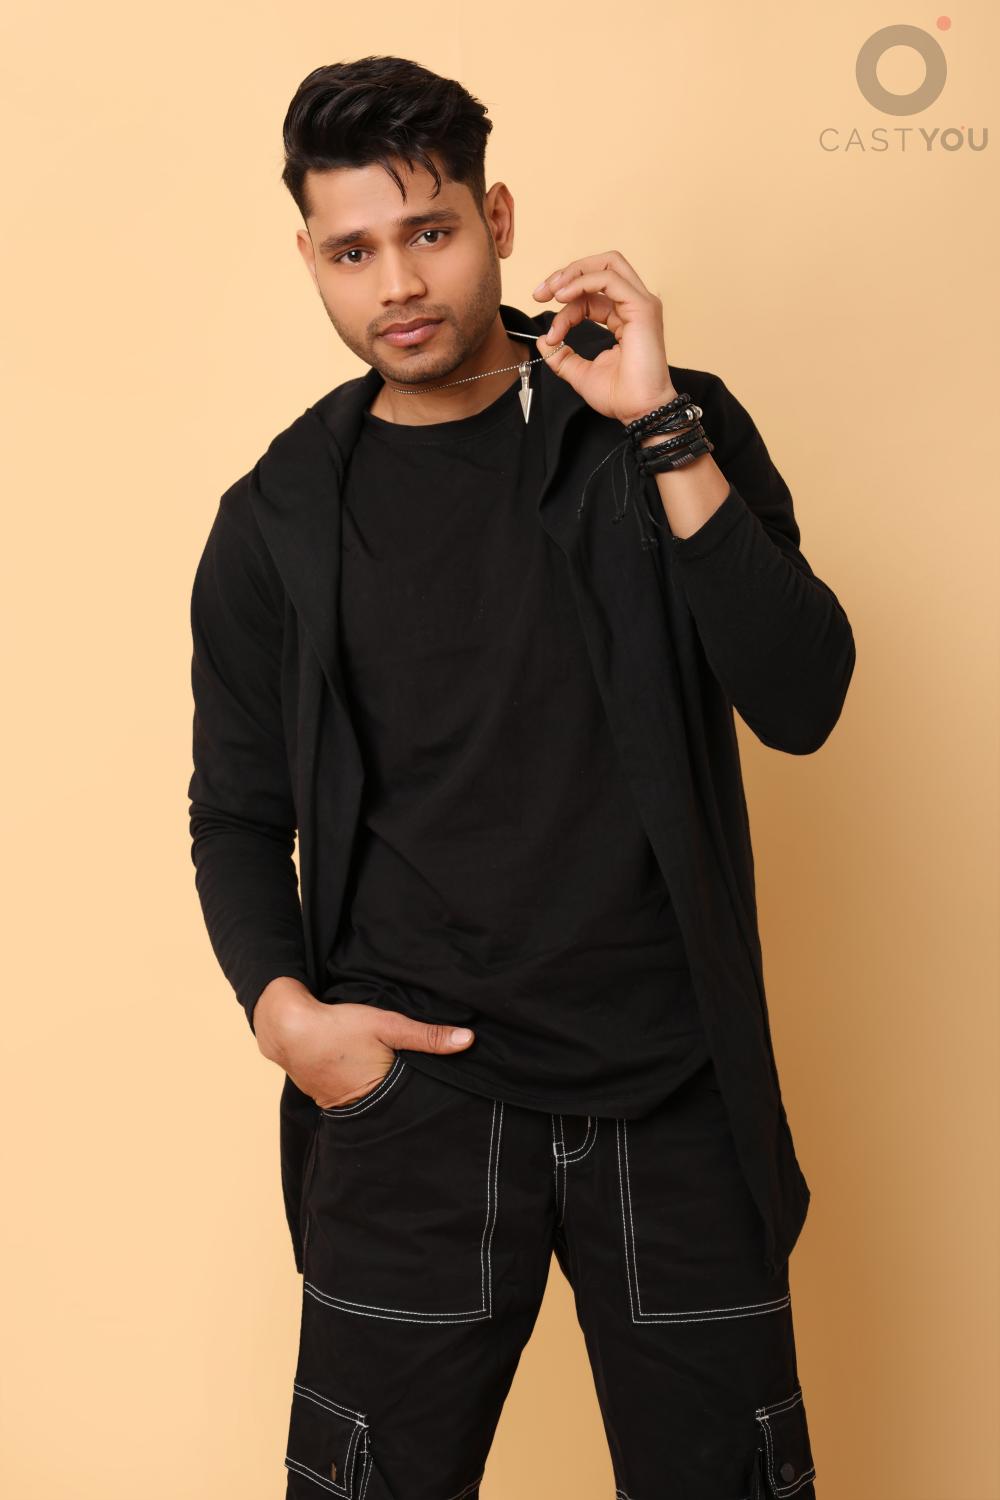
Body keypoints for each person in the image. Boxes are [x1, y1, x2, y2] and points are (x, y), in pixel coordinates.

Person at [186, 53, 855, 1500]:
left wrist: (662, 425)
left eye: (430, 231)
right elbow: (236, 811)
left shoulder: (659, 430)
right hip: (413, 1110)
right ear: (310, 258)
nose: (398, 284)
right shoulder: (277, 518)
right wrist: (288, 1018)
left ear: (496, 219)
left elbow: (803, 699)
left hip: (672, 1097)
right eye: (353, 250)